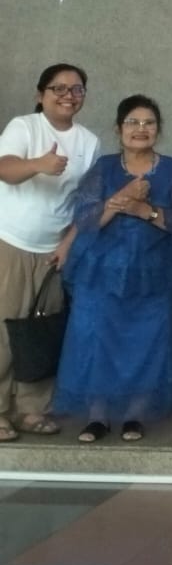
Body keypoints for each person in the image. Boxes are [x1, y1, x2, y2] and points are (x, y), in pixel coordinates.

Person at [54, 95, 172, 443]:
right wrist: (123, 198)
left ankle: (135, 415)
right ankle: (97, 417)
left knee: (149, 339)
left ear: (158, 129)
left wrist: (145, 211)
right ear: (118, 129)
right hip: (101, 268)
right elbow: (86, 218)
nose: (140, 129)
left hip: (154, 269)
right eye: (132, 122)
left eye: (148, 123)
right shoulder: (104, 167)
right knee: (96, 338)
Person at [0, 63, 99, 441]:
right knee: (4, 329)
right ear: (41, 94)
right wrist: (38, 164)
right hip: (10, 241)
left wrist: (68, 244)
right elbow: (5, 169)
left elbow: (86, 204)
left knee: (40, 332)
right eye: (59, 88)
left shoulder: (88, 142)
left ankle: (32, 410)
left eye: (77, 89)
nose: (68, 95)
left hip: (53, 251)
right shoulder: (24, 126)